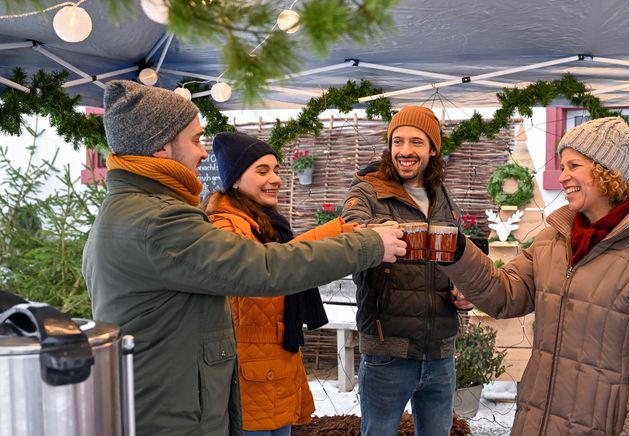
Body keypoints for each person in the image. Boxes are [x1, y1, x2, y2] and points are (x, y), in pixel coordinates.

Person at [82, 80, 406, 436]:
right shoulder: (160, 221)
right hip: (174, 415)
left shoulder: (130, 210)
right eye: (194, 140)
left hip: (170, 401)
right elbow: (265, 267)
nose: (203, 153)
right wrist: (368, 246)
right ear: (161, 146)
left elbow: (273, 256)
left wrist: (346, 231)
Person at [441, 116, 629, 435]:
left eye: (573, 165)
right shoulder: (553, 240)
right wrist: (456, 250)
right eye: (562, 166)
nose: (562, 177)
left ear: (608, 172)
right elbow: (504, 296)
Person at [205, 132, 354, 436]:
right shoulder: (225, 227)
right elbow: (272, 266)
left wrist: (343, 228)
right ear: (234, 179)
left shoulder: (262, 221)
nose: (275, 179)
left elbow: (285, 256)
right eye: (262, 171)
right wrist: (344, 234)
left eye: (276, 170)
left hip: (276, 366)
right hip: (252, 374)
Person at [341, 106, 468, 435]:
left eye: (416, 142)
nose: (405, 151)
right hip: (387, 352)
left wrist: (463, 289)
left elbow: (456, 256)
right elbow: (348, 237)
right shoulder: (367, 191)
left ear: (433, 149)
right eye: (398, 141)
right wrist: (382, 233)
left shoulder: (442, 196)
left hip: (440, 351)